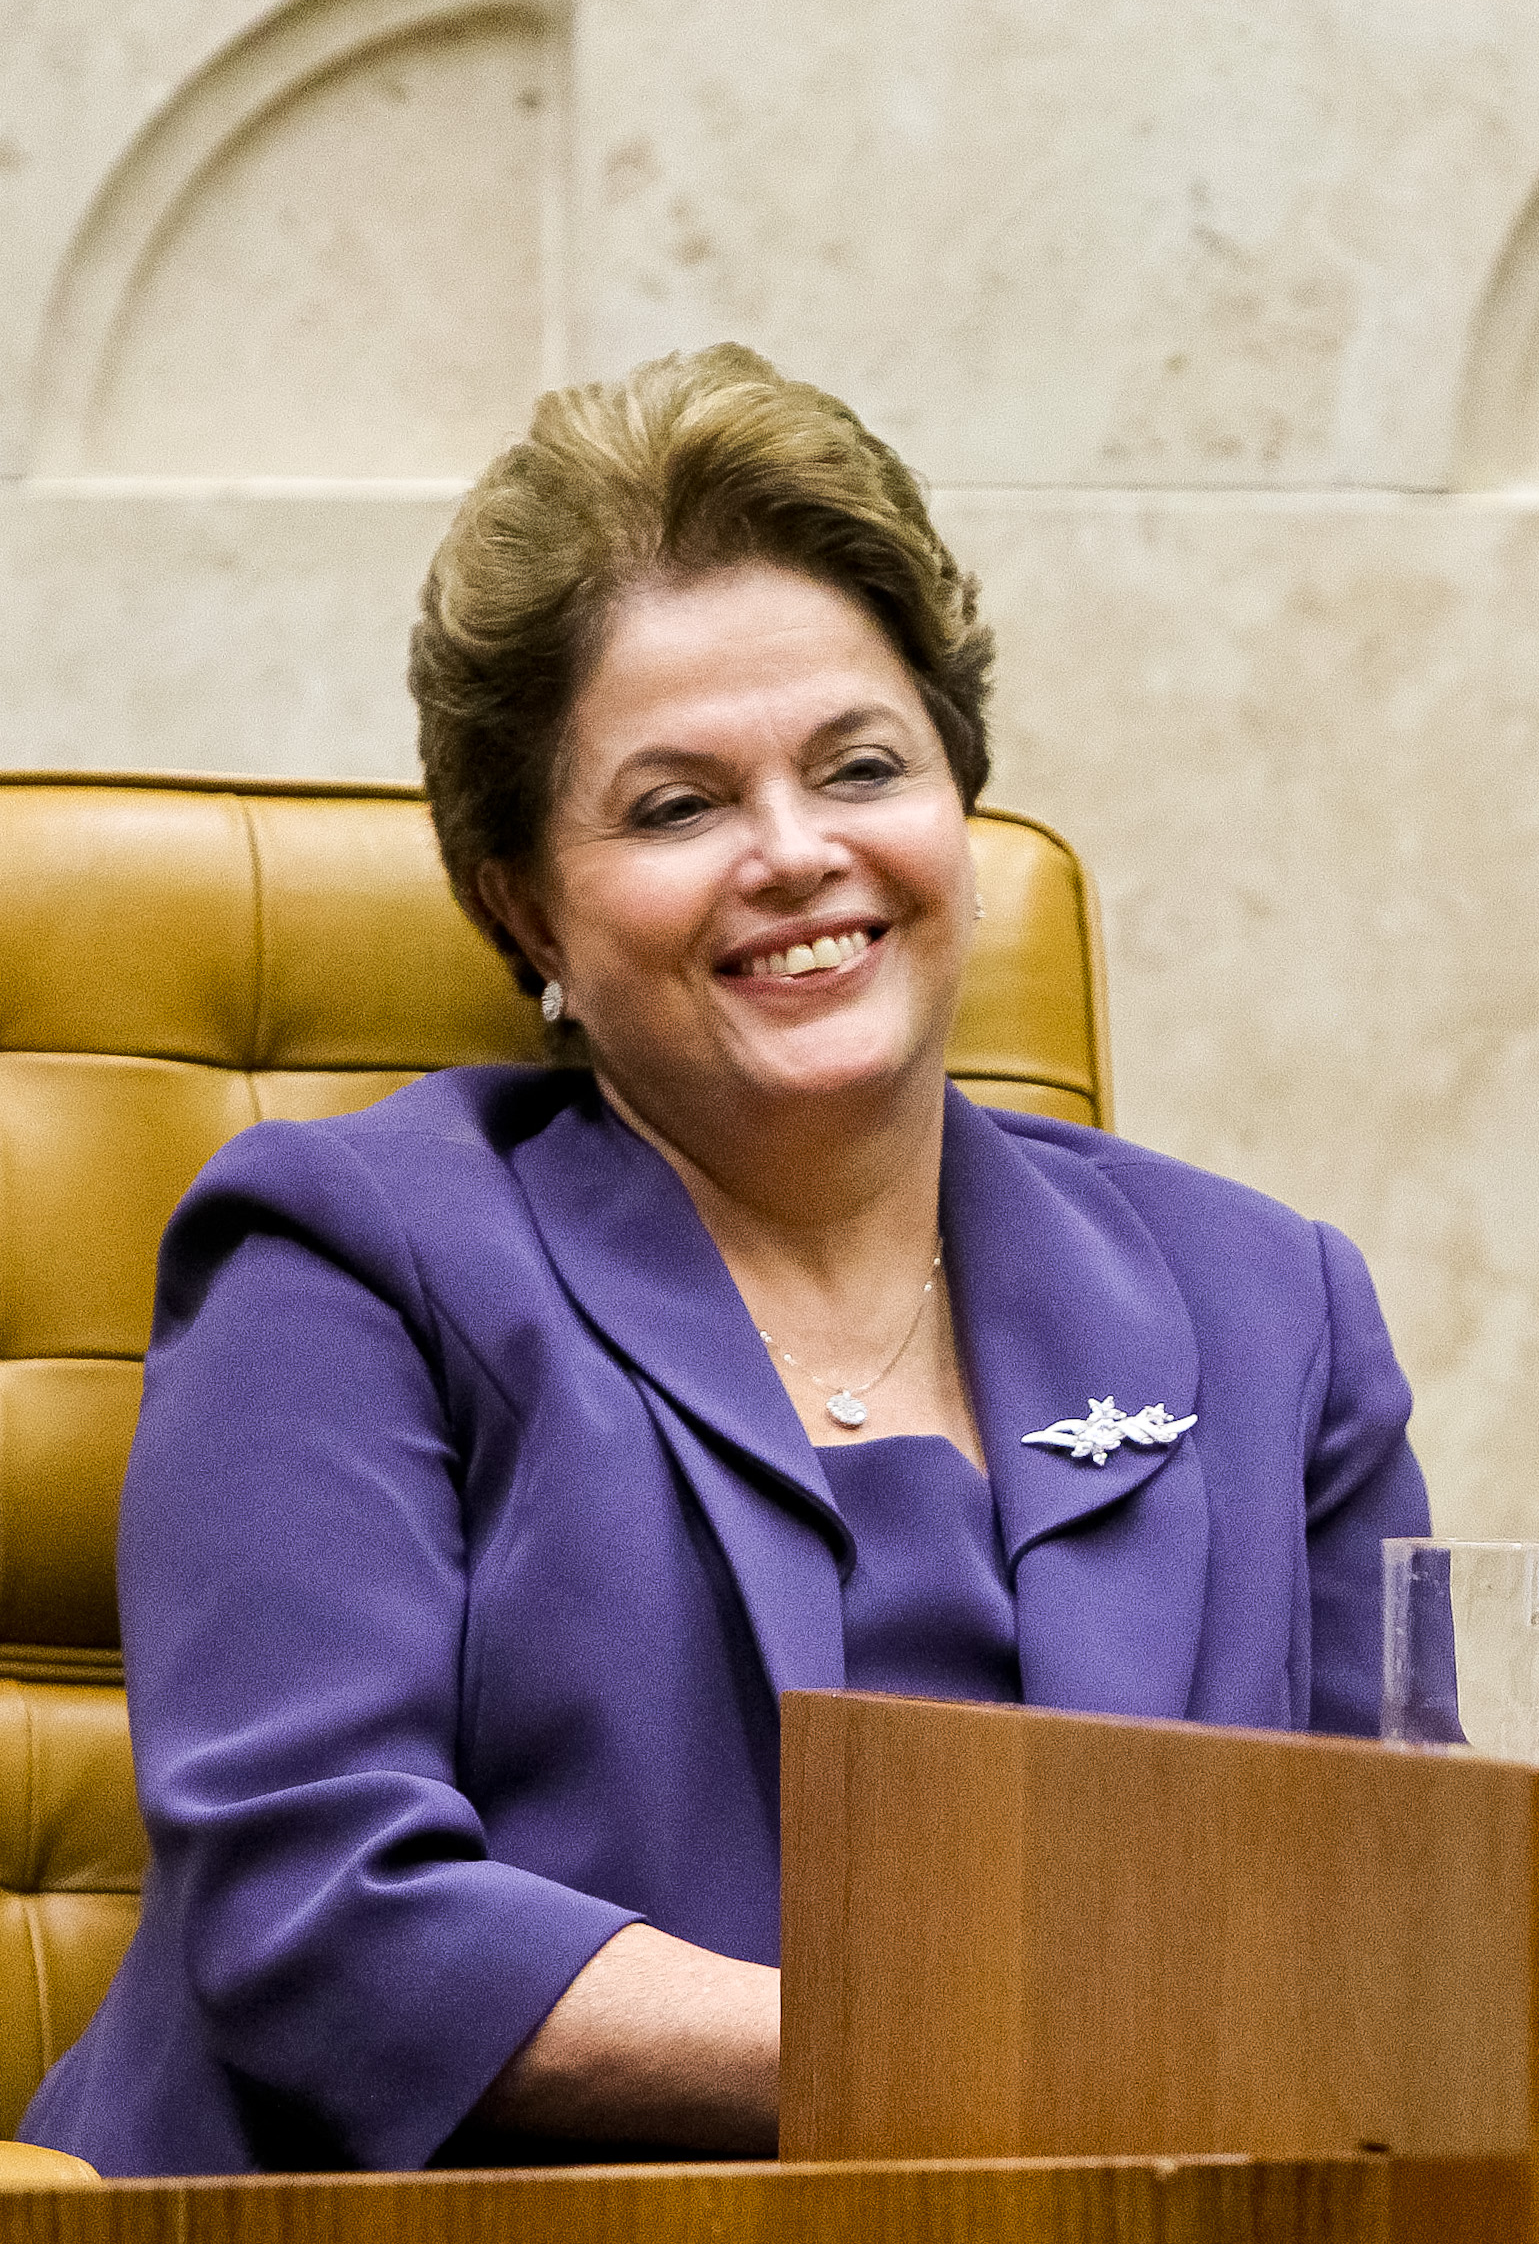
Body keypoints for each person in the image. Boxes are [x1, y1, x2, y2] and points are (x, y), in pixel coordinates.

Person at [20, 346, 1432, 2173]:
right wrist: (1013, 2051)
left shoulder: (1268, 1309)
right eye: (679, 805)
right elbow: (322, 1914)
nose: (798, 854)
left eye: (862, 765)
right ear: (521, 901)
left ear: (959, 808)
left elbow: (1410, 1927)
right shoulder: (347, 1260)